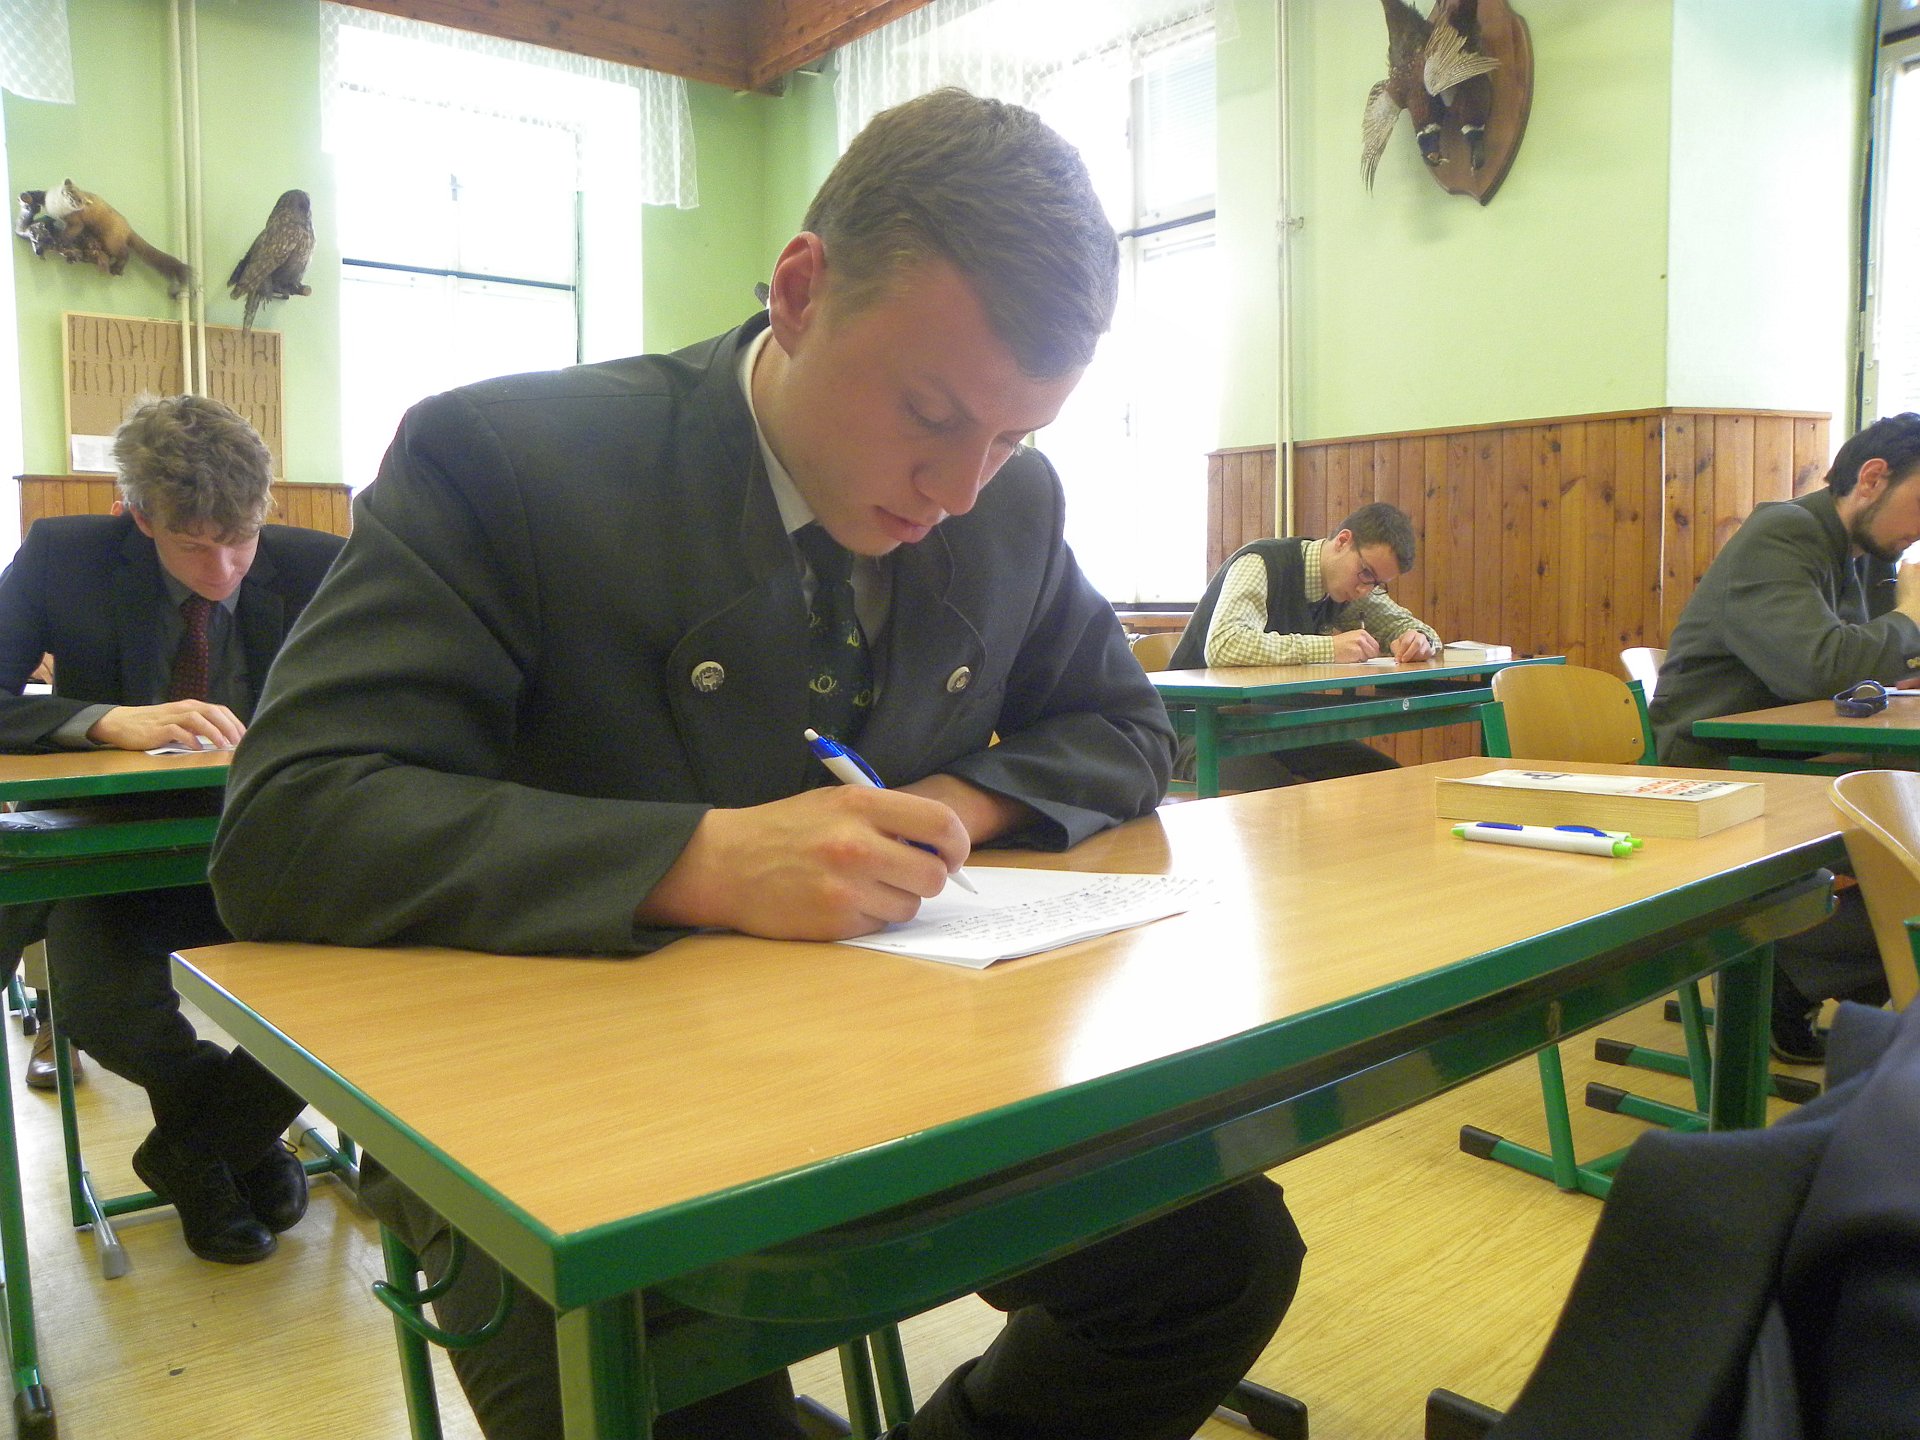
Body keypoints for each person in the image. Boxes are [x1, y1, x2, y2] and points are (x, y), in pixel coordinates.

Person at [210, 89, 1303, 1440]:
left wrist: (946, 807)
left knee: (1219, 1258)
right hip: (564, 1122)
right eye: (929, 410)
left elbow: (1128, 728)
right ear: (798, 293)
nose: (959, 487)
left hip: (897, 1069)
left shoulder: (1005, 503)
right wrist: (707, 860)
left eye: (1014, 436)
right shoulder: (507, 459)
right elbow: (289, 820)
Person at [0, 394, 344, 1263]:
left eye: (242, 539)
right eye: (194, 544)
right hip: (117, 850)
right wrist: (99, 720)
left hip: (272, 844)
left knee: (356, 992)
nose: (223, 567)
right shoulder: (63, 557)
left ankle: (194, 1153)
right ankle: (236, 1144)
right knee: (105, 1011)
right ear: (139, 515)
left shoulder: (321, 564)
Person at [1649, 413, 1920, 1061]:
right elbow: (1820, 667)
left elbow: (1869, 667)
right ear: (1872, 478)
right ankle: (1782, 965)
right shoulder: (1782, 533)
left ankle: (1806, 970)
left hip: (1799, 756)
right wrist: (1912, 618)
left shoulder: (1866, 558)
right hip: (1721, 770)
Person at [1165, 501, 1441, 788]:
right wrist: (1329, 649)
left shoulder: (1344, 588)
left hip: (1263, 721)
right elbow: (1225, 644)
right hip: (1190, 726)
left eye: (1377, 583)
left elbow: (1406, 625)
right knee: (1273, 794)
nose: (1364, 590)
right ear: (1343, 541)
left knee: (1385, 781)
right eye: (1366, 574)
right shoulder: (1261, 562)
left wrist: (1419, 640)